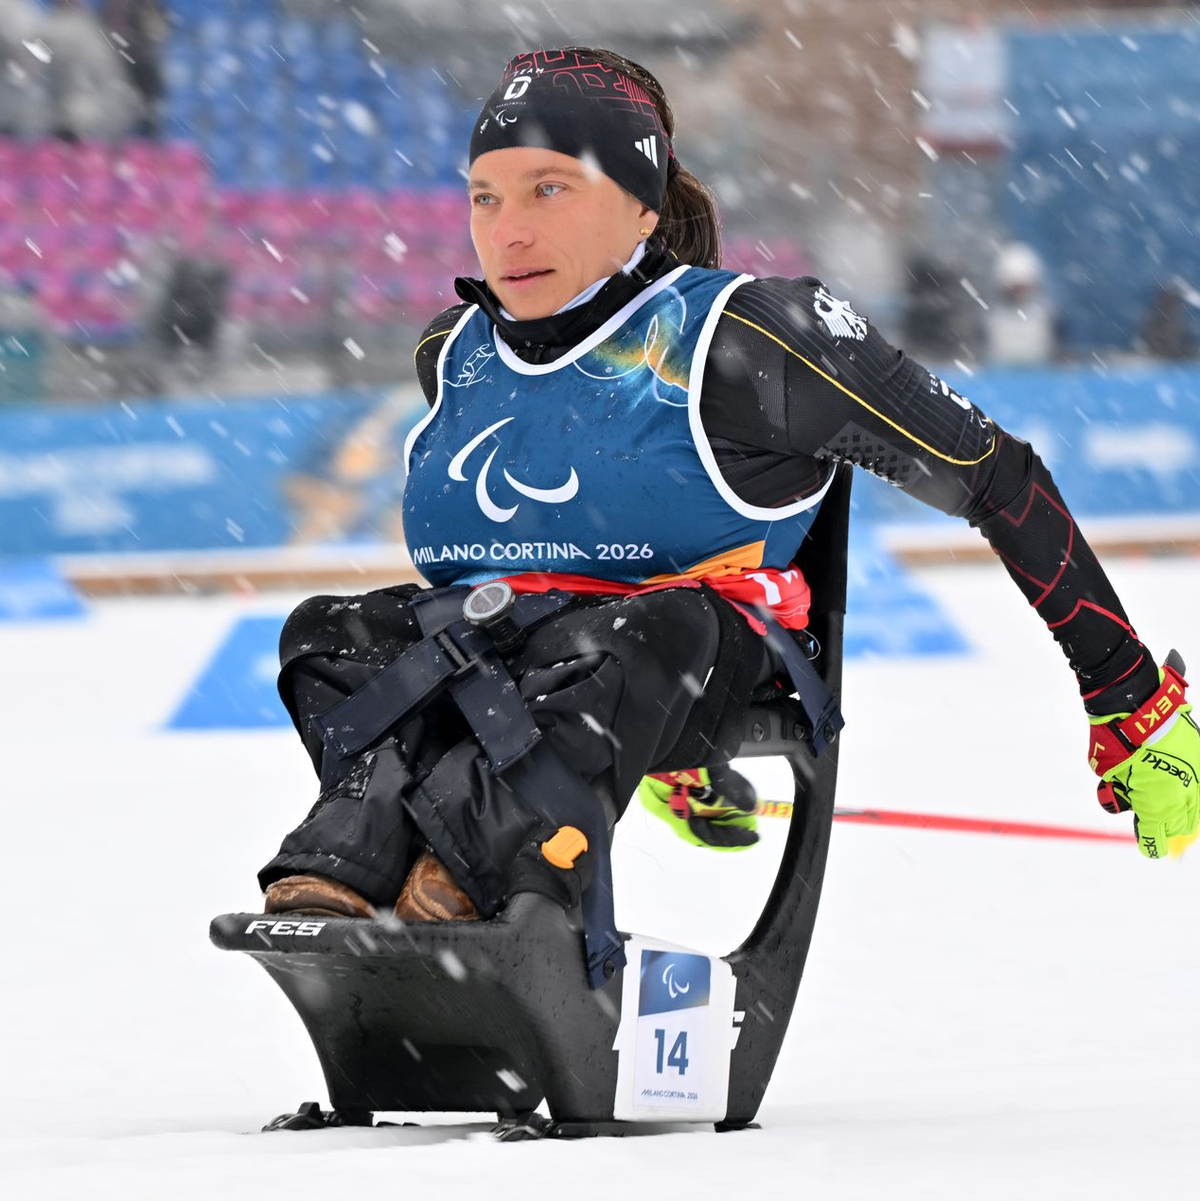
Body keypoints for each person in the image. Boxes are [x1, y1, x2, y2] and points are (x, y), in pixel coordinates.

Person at [260, 46, 1199, 938]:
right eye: (485, 196)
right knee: (330, 633)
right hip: (511, 651)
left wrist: (1127, 696)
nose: (510, 229)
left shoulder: (754, 340)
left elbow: (997, 478)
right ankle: (358, 854)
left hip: (681, 651)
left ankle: (481, 871)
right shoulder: (453, 351)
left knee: (630, 642)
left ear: (639, 206)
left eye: (550, 188)